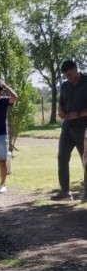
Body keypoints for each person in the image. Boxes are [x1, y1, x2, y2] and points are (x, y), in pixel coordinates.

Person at [51, 59, 87, 201]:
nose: (69, 77)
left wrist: (77, 114)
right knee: (62, 157)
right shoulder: (65, 86)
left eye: (70, 74)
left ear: (76, 69)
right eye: (66, 76)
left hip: (83, 128)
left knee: (85, 160)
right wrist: (61, 111)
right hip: (67, 128)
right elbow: (61, 103)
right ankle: (65, 192)